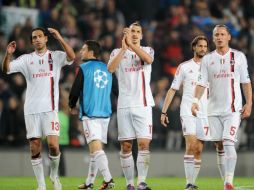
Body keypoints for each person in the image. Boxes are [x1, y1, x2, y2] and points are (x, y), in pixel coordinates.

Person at [2, 27, 75, 190]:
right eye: (34, 37)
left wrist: (60, 38)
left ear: (46, 39)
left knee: (54, 146)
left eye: (40, 36)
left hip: (50, 109)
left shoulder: (55, 56)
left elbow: (72, 56)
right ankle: (41, 184)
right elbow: (6, 69)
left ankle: (54, 176)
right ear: (32, 41)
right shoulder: (26, 59)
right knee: (35, 146)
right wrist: (8, 54)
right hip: (32, 109)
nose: (37, 39)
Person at [191, 25, 252, 190]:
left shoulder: (238, 57)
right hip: (213, 110)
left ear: (229, 37)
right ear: (213, 38)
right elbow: (201, 83)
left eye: (222, 34)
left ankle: (228, 183)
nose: (219, 37)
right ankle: (225, 181)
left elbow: (245, 82)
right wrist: (195, 101)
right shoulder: (207, 59)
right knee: (219, 145)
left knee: (228, 142)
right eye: (216, 35)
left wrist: (249, 103)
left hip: (232, 110)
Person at [161, 35, 212, 190]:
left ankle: (193, 182)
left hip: (206, 111)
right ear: (194, 48)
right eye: (200, 46)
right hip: (187, 109)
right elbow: (173, 89)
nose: (203, 49)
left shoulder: (211, 66)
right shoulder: (184, 67)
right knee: (190, 145)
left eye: (205, 46)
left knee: (198, 149)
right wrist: (164, 111)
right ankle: (189, 183)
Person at [108, 21, 154, 190]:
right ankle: (129, 184)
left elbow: (148, 60)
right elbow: (110, 69)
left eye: (137, 32)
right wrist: (123, 49)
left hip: (143, 104)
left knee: (144, 144)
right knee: (126, 146)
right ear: (126, 34)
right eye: (131, 31)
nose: (134, 34)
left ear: (141, 35)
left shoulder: (147, 50)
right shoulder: (116, 52)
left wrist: (131, 46)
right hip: (124, 105)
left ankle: (141, 181)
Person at [69, 40, 115, 190]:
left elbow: (75, 89)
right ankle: (89, 183)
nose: (81, 52)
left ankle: (108, 179)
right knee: (94, 151)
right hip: (105, 113)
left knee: (96, 149)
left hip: (91, 113)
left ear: (91, 53)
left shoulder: (83, 68)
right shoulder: (108, 68)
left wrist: (71, 104)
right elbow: (116, 90)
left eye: (83, 50)